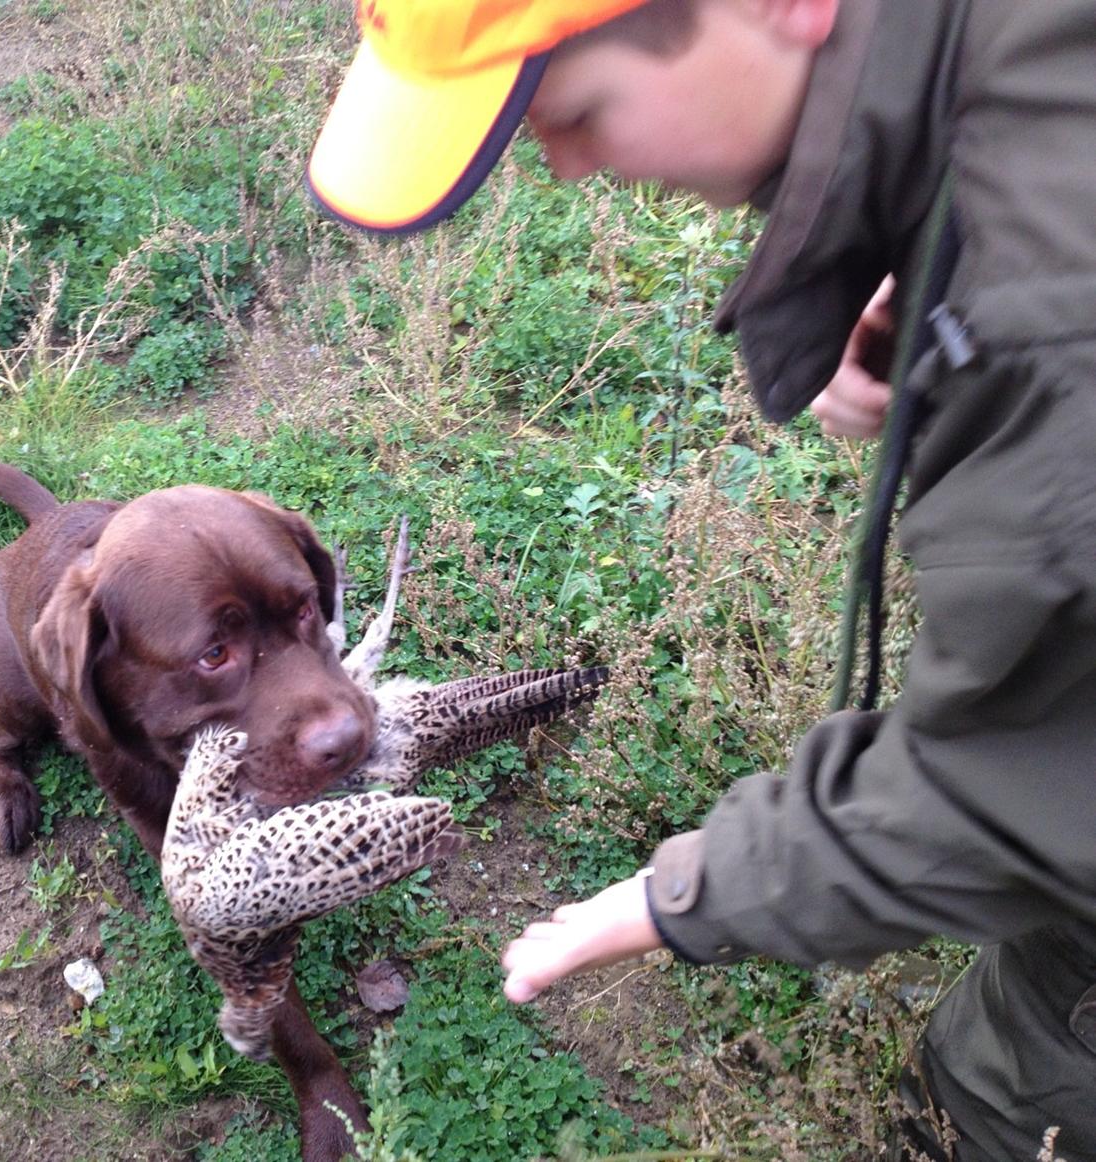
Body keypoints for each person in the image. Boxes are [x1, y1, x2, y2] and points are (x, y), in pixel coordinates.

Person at [307, 2, 1096, 1158]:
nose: (569, 169)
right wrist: (934, 262)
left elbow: (1016, 782)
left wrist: (677, 897)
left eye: (573, 111)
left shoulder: (1059, 337)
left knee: (1011, 1094)